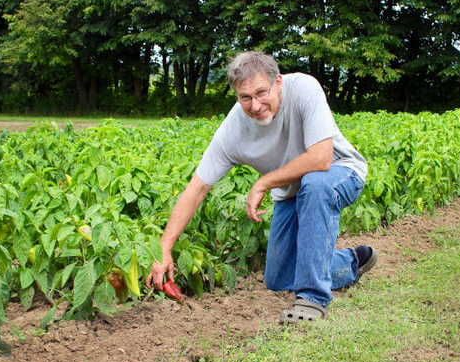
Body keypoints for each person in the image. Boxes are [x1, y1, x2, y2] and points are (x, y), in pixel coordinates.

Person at [146, 51, 377, 323]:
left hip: (340, 172)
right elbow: (198, 187)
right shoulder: (233, 131)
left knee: (315, 184)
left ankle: (313, 299)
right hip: (292, 190)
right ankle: (351, 262)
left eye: (261, 93)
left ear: (278, 82)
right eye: (245, 97)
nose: (255, 105)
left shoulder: (303, 88)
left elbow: (321, 158)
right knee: (279, 278)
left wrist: (264, 183)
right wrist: (164, 246)